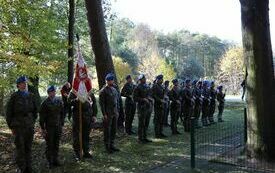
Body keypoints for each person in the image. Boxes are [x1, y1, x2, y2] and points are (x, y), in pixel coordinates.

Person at [6, 76, 38, 173]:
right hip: (18, 126)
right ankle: (22, 168)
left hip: (29, 126)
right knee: (20, 148)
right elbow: (9, 112)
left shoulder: (31, 95)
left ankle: (29, 167)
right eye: (23, 83)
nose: (25, 84)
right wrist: (11, 126)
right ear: (18, 85)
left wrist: (32, 121)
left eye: (25, 83)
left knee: (28, 147)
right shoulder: (14, 96)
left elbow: (35, 111)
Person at [39, 86, 64, 168]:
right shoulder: (45, 103)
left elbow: (62, 113)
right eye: (51, 92)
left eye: (53, 92)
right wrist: (43, 128)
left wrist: (61, 123)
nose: (53, 93)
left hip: (57, 126)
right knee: (50, 144)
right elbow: (42, 117)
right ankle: (50, 161)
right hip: (49, 127)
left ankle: (55, 160)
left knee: (56, 144)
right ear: (48, 93)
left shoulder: (59, 101)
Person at [68, 91, 97, 160]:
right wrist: (77, 99)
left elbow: (94, 104)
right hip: (78, 117)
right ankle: (78, 153)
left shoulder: (90, 92)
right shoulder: (73, 92)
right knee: (77, 136)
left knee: (86, 135)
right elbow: (69, 102)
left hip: (88, 117)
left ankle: (86, 151)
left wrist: (94, 115)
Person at [99, 73, 120, 153]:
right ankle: (107, 147)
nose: (112, 81)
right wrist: (104, 114)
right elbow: (102, 104)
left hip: (115, 112)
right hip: (108, 113)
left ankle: (112, 145)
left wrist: (117, 111)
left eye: (112, 80)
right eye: (111, 80)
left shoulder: (114, 89)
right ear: (107, 81)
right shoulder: (103, 91)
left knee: (114, 129)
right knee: (107, 130)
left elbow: (117, 101)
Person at [133, 74, 153, 143]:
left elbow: (150, 94)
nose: (145, 79)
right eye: (143, 79)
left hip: (148, 107)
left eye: (145, 78)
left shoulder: (147, 86)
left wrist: (150, 98)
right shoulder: (137, 87)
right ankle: (139, 138)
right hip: (141, 108)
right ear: (140, 80)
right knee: (141, 123)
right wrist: (143, 99)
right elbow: (135, 98)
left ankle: (144, 137)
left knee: (146, 123)